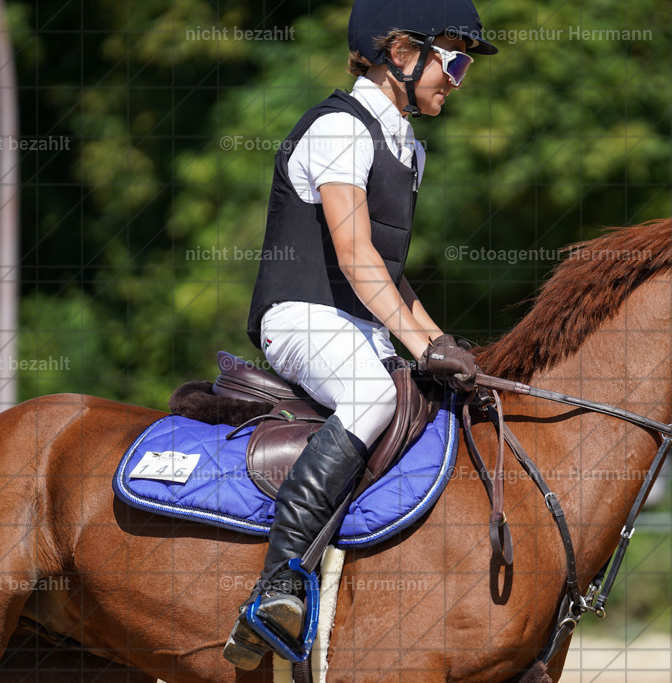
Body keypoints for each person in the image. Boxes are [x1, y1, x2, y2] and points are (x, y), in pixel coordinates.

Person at [223, 0, 498, 669]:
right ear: (401, 53)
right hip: (300, 316)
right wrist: (418, 343)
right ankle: (279, 581)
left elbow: (392, 278)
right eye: (453, 59)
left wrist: (451, 349)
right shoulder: (338, 130)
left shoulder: (407, 148)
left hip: (358, 324)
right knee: (375, 397)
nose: (457, 79)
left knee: (440, 400)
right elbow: (353, 256)